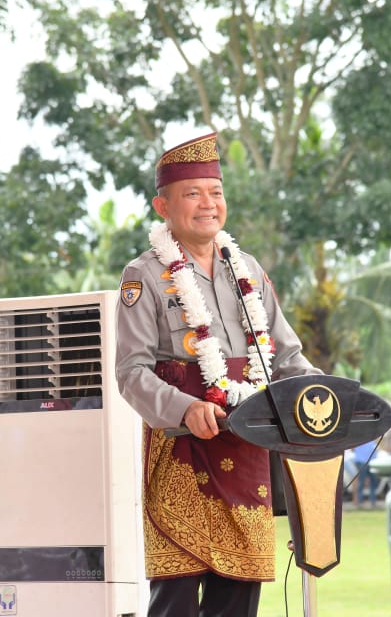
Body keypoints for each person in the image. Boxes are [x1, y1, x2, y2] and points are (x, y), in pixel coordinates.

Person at [115, 130, 322, 617]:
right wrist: (185, 408)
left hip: (247, 452)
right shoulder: (142, 275)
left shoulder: (246, 268)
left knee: (238, 602)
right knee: (177, 602)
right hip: (182, 455)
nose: (208, 204)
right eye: (193, 194)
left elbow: (288, 357)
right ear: (162, 206)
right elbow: (131, 371)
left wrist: (327, 397)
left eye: (216, 192)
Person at [351, 436, 382, 509]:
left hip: (364, 461)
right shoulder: (371, 438)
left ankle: (362, 502)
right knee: (370, 482)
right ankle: (369, 502)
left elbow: (353, 449)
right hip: (366, 461)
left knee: (364, 482)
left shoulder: (360, 438)